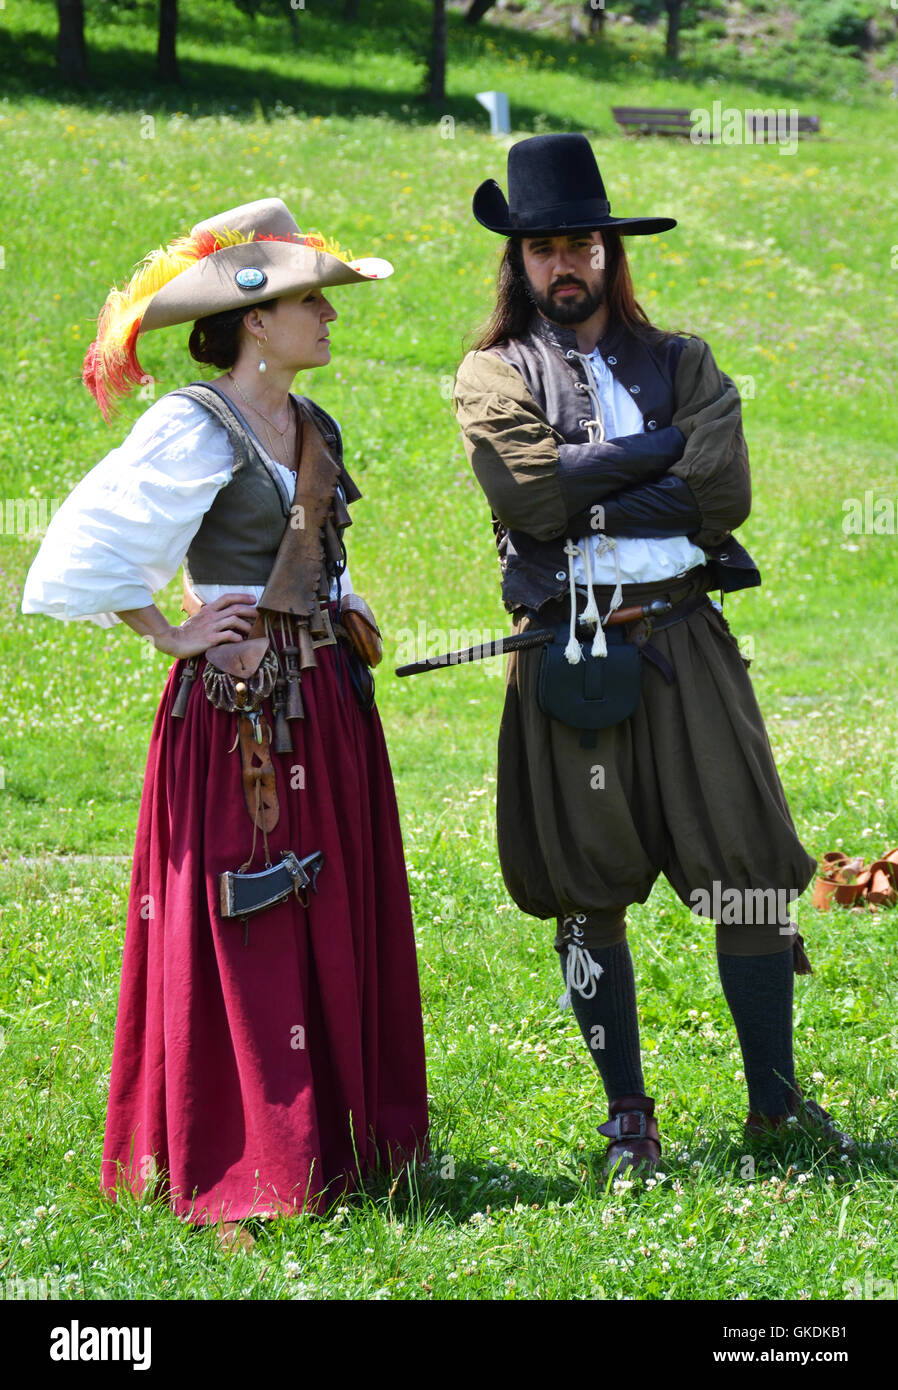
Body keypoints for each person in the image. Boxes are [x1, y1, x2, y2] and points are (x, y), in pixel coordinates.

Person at [22, 197, 428, 1237]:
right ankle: (241, 1160)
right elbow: (84, 550)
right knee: (247, 913)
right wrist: (170, 631)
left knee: (327, 906)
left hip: (328, 704)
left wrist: (341, 601)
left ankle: (335, 1148)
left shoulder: (311, 422)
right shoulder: (193, 423)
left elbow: (304, 547)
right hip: (243, 717)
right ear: (255, 319)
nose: (330, 322)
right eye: (311, 305)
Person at [452, 135, 853, 1175]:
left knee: (751, 875)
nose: (564, 262)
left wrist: (589, 476)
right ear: (520, 261)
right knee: (584, 887)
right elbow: (524, 496)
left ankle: (773, 1104)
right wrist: (658, 452)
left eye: (581, 240)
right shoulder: (492, 372)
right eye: (543, 247)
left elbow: (723, 495)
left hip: (683, 637)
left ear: (610, 249)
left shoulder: (684, 361)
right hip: (567, 649)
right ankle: (628, 1113)